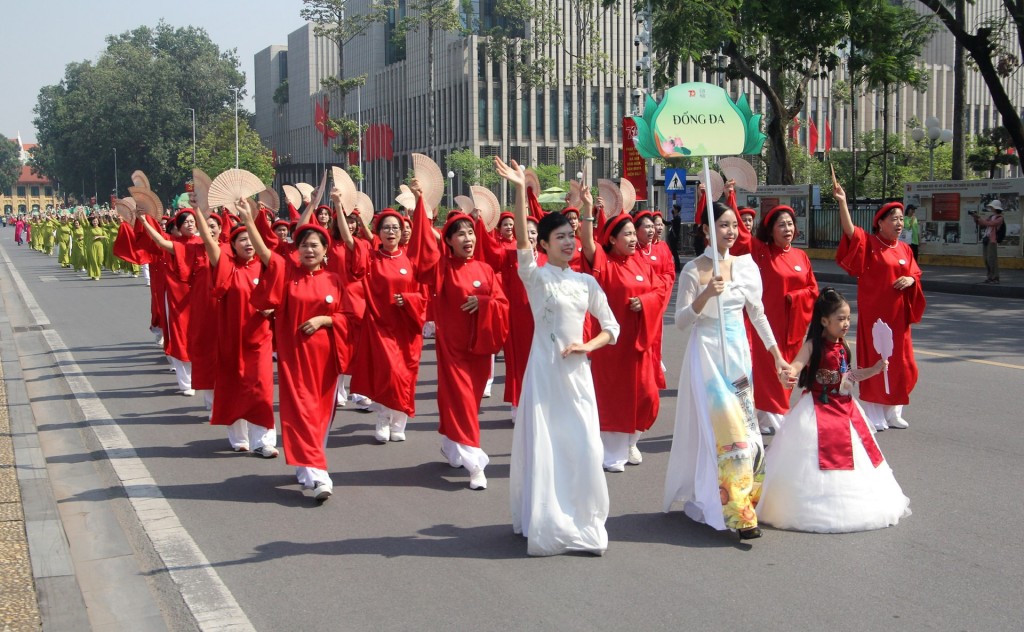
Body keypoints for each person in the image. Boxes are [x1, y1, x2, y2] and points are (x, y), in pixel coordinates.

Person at [496, 157, 620, 557]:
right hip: (545, 374)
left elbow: (611, 328)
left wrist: (589, 346)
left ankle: (582, 517)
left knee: (584, 445)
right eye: (560, 237)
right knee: (547, 446)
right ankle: (547, 518)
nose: (568, 242)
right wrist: (519, 190)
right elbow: (520, 246)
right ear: (544, 244)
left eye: (572, 235)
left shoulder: (586, 282)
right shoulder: (536, 276)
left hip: (577, 374)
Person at [662, 201, 791, 540]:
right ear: (706, 229)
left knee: (749, 435)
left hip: (738, 356)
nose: (730, 231)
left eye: (734, 225)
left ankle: (739, 499)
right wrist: (705, 295)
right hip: (706, 357)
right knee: (725, 435)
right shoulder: (693, 269)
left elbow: (758, 315)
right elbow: (680, 322)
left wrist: (776, 355)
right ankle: (734, 511)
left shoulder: (746, 267)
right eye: (722, 225)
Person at [757, 288, 911, 533]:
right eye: (841, 318)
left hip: (845, 407)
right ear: (824, 321)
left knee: (856, 455)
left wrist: (874, 369)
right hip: (817, 407)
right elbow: (796, 365)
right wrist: (789, 374)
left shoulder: (843, 346)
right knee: (813, 459)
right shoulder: (812, 345)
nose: (846, 323)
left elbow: (848, 376)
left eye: (848, 318)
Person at [410, 194, 510, 490]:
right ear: (449, 240)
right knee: (463, 403)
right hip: (452, 350)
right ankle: (475, 464)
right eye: (460, 234)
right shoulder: (441, 269)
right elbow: (421, 252)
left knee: (469, 403)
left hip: (479, 349)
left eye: (470, 233)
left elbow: (502, 304)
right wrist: (420, 206)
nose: (467, 238)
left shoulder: (485, 270)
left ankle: (452, 445)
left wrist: (483, 303)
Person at [245, 205, 345, 503]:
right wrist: (249, 220)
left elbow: (349, 318)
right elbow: (265, 255)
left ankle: (306, 466)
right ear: (297, 250)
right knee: (301, 413)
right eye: (304, 245)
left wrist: (325, 320)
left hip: (326, 361)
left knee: (320, 416)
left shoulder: (335, 280)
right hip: (296, 359)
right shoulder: (288, 276)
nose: (309, 250)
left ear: (326, 249)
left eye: (315, 245)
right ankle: (318, 474)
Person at [580, 199, 668, 472]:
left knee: (646, 395)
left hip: (640, 343)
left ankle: (632, 440)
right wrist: (587, 212)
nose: (634, 238)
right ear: (613, 240)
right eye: (627, 234)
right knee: (614, 397)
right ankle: (611, 451)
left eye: (634, 233)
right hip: (613, 346)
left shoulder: (641, 262)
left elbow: (659, 291)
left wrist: (646, 302)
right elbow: (587, 244)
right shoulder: (605, 263)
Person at [834, 174, 925, 431]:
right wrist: (842, 203)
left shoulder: (905, 249)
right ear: (880, 223)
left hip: (899, 319)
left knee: (901, 362)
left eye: (900, 218)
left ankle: (894, 410)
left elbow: (915, 273)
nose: (899, 223)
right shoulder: (870, 243)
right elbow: (850, 233)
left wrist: (910, 280)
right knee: (876, 360)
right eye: (893, 219)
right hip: (876, 318)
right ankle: (874, 412)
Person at [199, 203, 277, 457]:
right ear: (232, 245)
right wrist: (199, 212)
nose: (247, 243)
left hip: (261, 339)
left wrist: (272, 310)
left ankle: (263, 441)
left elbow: (279, 295)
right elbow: (209, 243)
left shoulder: (264, 266)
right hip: (232, 339)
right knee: (233, 386)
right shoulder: (226, 266)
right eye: (241, 239)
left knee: (261, 388)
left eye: (250, 239)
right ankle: (239, 437)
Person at [733, 204, 817, 434]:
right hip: (768, 327)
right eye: (781, 225)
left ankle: (757, 420)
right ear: (770, 230)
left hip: (795, 326)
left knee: (788, 373)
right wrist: (731, 197)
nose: (787, 228)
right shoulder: (763, 252)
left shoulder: (801, 255)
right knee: (772, 376)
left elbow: (812, 289)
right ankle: (784, 427)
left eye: (790, 224)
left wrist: (794, 297)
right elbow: (741, 236)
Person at [973, 199, 1005, 284]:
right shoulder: (991, 217)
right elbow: (983, 223)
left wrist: (979, 218)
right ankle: (990, 276)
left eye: (992, 207)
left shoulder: (1000, 218)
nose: (991, 208)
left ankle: (995, 277)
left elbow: (990, 224)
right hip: (986, 239)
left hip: (992, 240)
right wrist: (976, 218)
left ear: (996, 208)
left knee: (992, 259)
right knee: (986, 259)